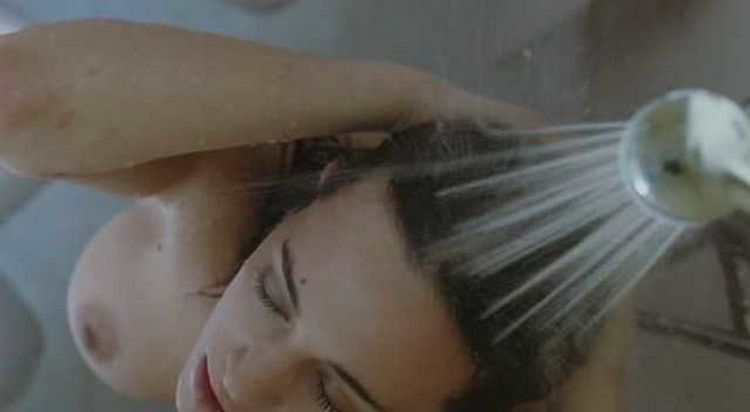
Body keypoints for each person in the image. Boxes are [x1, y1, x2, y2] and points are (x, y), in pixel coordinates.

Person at [0, 19, 629, 412]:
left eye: (330, 397)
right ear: (316, 190)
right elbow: (17, 97)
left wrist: (601, 357)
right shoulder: (222, 212)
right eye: (270, 294)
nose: (243, 381)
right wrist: (413, 96)